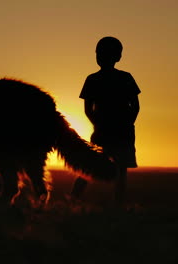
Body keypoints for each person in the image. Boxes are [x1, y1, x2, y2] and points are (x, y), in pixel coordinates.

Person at [70, 36, 140, 206]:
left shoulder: (113, 78)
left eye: (104, 53)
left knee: (100, 168)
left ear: (117, 57)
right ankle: (74, 200)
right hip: (111, 132)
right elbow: (135, 106)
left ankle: (75, 200)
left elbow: (135, 106)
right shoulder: (96, 79)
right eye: (99, 53)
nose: (101, 57)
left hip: (114, 132)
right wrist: (121, 123)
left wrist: (107, 124)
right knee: (96, 167)